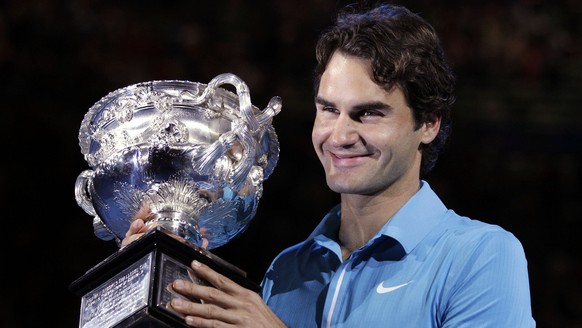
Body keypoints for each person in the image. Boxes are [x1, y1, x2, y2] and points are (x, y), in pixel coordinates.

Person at [123, 2, 535, 327]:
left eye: (368, 114)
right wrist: (151, 279)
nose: (338, 136)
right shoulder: (287, 271)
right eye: (328, 110)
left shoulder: (480, 256)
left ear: (428, 123)